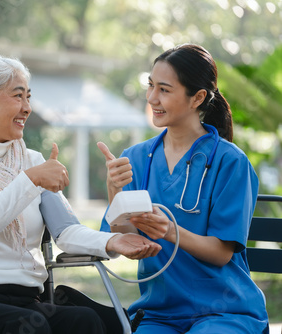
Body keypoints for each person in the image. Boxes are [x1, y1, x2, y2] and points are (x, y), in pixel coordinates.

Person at [0, 54, 161, 334]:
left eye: (29, 97)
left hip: (23, 298)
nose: (27, 108)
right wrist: (30, 179)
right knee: (29, 328)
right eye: (17, 96)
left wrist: (114, 240)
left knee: (85, 320)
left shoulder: (32, 160)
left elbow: (67, 231)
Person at [98, 44, 269, 333]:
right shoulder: (136, 158)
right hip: (160, 312)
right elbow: (128, 239)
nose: (152, 98)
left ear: (198, 97)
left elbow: (221, 253)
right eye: (150, 86)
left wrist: (169, 230)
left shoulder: (230, 162)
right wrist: (115, 191)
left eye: (164, 89)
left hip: (225, 311)